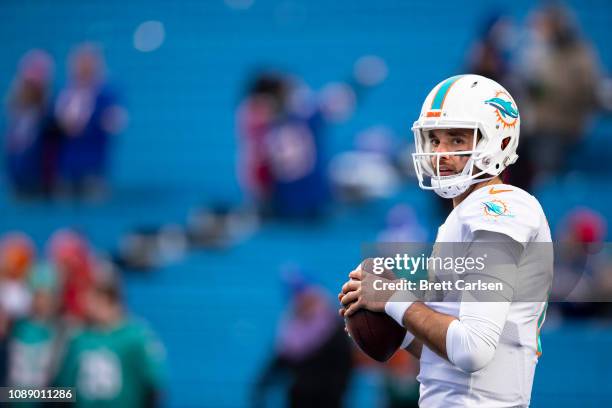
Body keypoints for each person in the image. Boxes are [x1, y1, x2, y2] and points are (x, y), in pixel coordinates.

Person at [339, 75, 553, 407]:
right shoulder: (465, 217)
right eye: (434, 140)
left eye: (456, 140)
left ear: (498, 140)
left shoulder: (500, 209)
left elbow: (473, 350)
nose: (441, 153)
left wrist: (394, 298)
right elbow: (451, 359)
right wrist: (392, 323)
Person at [54, 268, 165, 407]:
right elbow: (63, 389)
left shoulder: (137, 337)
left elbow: (154, 385)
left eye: (90, 297)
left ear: (107, 299)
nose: (85, 303)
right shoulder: (79, 338)